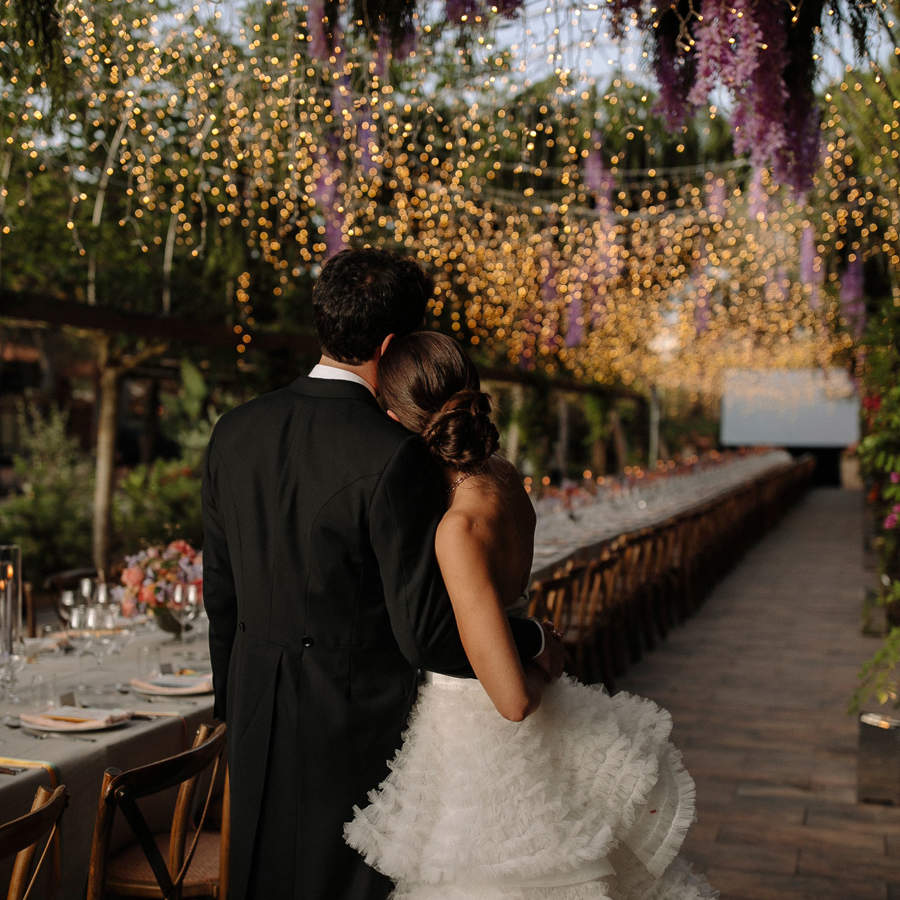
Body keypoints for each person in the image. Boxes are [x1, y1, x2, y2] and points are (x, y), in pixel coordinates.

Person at [201, 249, 563, 900]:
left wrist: (234, 706)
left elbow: (220, 596)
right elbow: (423, 632)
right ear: (395, 344)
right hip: (356, 726)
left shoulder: (235, 430)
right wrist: (528, 639)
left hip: (255, 711)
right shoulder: (396, 453)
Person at [344, 332, 716, 900]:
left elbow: (513, 702)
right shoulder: (504, 476)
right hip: (523, 699)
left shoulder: (458, 529)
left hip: (480, 737)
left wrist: (539, 667)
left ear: (395, 419)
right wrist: (539, 641)